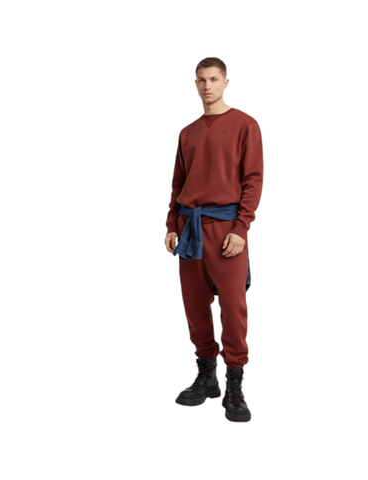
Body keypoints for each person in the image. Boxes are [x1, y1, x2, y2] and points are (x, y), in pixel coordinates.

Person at [164, 57, 264, 422]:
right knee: (195, 306)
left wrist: (241, 228)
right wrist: (172, 224)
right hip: (189, 228)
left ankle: (234, 384)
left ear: (225, 82)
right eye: (201, 80)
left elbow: (253, 180)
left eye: (213, 79)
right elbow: (178, 183)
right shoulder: (187, 133)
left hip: (226, 230)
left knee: (233, 309)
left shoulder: (245, 125)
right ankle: (206, 377)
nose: (207, 86)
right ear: (195, 84)